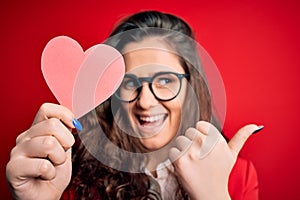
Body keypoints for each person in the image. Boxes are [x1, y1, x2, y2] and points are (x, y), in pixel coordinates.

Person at [6, 10, 262, 200]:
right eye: (129, 82)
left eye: (164, 80)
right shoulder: (67, 169)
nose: (145, 102)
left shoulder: (238, 174)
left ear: (190, 86)